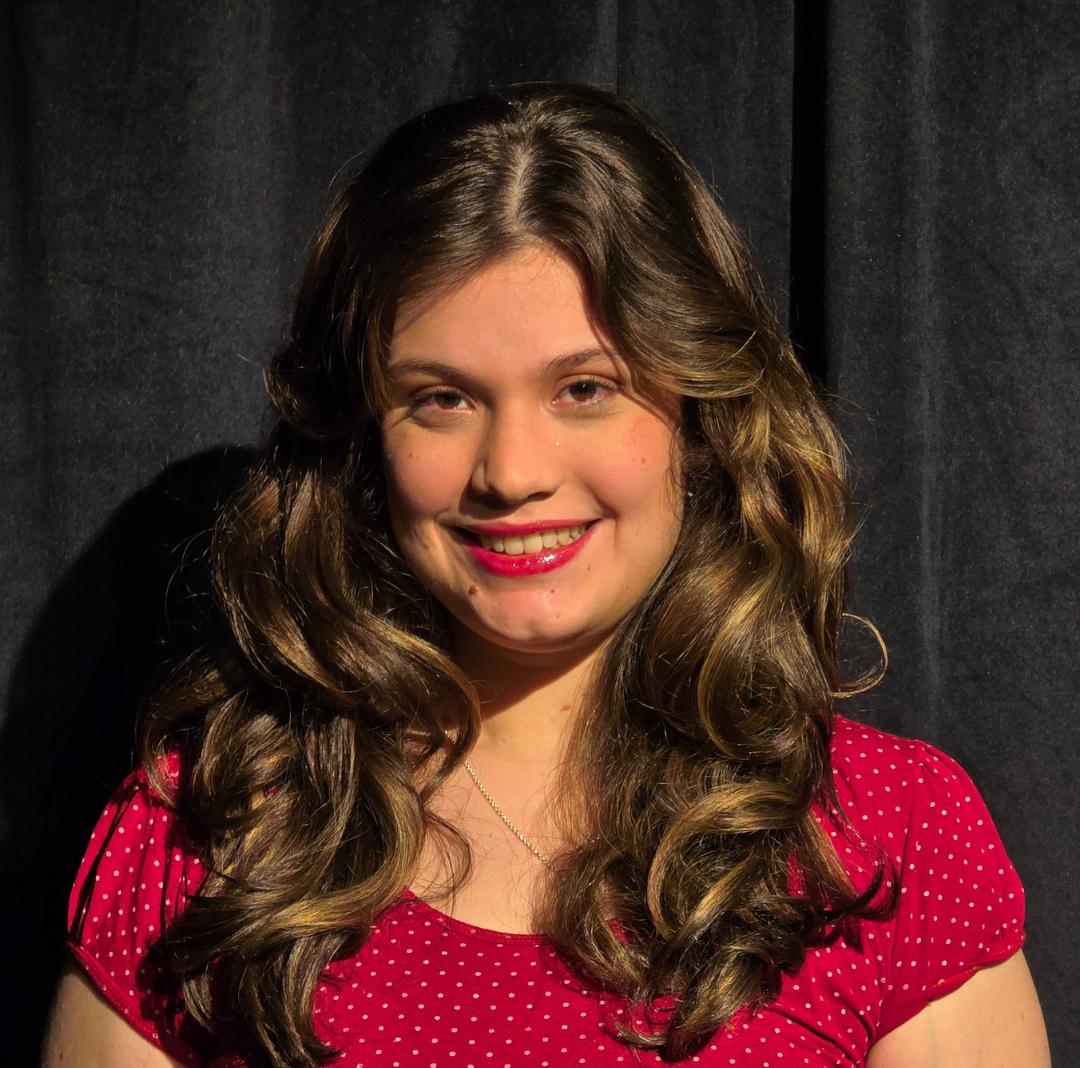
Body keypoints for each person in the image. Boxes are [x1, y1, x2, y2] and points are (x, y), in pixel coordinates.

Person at [43, 84, 1049, 1068]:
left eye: (584, 388)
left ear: (701, 416)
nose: (512, 471)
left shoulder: (888, 836)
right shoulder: (211, 824)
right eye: (442, 399)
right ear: (361, 437)